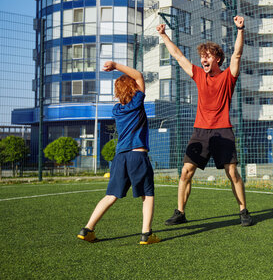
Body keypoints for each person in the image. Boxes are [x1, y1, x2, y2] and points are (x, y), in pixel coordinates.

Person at [157, 15, 253, 227]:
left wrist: (240, 30)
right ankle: (180, 212)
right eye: (202, 57)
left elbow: (237, 54)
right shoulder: (199, 75)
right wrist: (164, 35)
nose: (203, 60)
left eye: (207, 56)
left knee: (232, 172)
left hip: (223, 131)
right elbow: (178, 56)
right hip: (200, 131)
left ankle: (244, 211)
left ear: (217, 59)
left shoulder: (228, 76)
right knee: (185, 172)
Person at [77, 61, 160, 245]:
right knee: (147, 194)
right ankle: (146, 234)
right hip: (137, 155)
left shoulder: (116, 109)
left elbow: (131, 85)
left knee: (110, 195)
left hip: (120, 157)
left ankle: (87, 229)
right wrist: (115, 65)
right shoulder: (137, 102)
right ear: (134, 88)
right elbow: (138, 75)